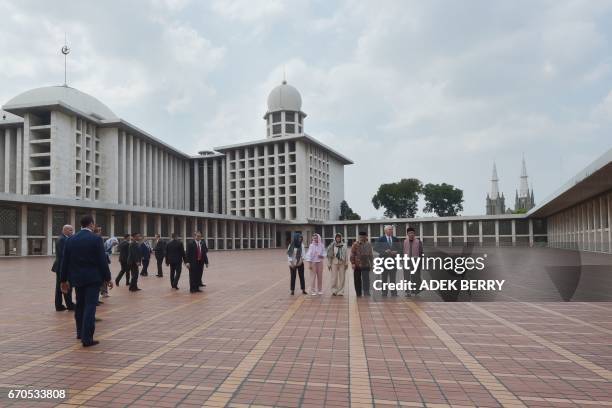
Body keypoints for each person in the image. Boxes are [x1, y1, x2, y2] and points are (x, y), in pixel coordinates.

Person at [60, 215, 113, 347]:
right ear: (91, 224)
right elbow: (102, 261)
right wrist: (107, 278)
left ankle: (79, 332)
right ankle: (87, 338)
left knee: (80, 305)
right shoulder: (96, 239)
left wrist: (63, 280)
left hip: (77, 278)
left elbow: (64, 261)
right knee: (90, 306)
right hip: (93, 278)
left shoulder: (71, 239)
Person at [51, 224, 75, 311]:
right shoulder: (63, 240)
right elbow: (64, 256)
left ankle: (59, 305)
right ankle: (69, 305)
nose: (72, 232)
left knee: (59, 287)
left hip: (60, 266)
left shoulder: (63, 238)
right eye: (70, 230)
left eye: (72, 230)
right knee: (67, 285)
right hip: (62, 267)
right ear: (64, 230)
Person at [374, 225, 402, 296]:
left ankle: (394, 292)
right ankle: (384, 292)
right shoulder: (381, 239)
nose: (391, 231)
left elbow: (400, 250)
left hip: (393, 262)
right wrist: (385, 251)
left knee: (393, 278)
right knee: (384, 278)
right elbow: (376, 248)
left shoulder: (395, 239)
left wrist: (396, 252)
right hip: (384, 262)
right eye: (390, 229)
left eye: (392, 229)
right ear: (385, 231)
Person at [350, 231, 374, 296]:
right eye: (360, 236)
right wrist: (353, 263)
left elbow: (371, 255)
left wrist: (372, 264)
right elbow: (352, 254)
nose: (362, 238)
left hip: (366, 264)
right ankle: (358, 293)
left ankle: (366, 292)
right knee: (357, 279)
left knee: (366, 279)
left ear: (366, 237)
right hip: (357, 264)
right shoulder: (355, 244)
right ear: (359, 237)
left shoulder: (368, 244)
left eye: (363, 236)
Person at [403, 227, 424, 297]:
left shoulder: (418, 242)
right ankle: (408, 292)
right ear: (407, 234)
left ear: (414, 234)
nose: (411, 234)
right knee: (407, 277)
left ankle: (415, 291)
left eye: (412, 233)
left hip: (416, 261)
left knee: (415, 276)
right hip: (407, 261)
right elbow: (403, 251)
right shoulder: (405, 241)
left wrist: (420, 263)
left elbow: (421, 253)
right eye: (409, 233)